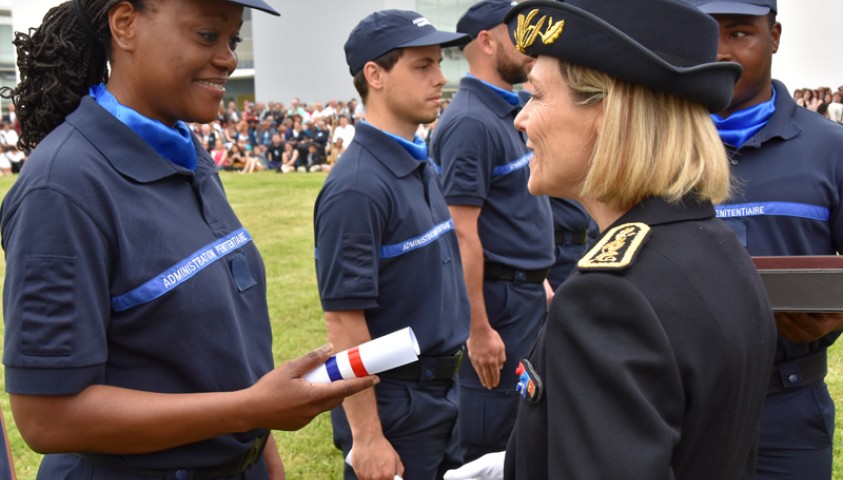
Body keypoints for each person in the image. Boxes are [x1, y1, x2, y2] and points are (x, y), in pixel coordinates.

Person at [0, 1, 377, 479]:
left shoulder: (183, 148)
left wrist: (259, 448)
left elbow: (216, 356)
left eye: (233, 39)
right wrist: (249, 409)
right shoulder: (62, 186)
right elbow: (46, 418)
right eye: (206, 35)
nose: (228, 58)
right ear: (125, 24)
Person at [446, 0, 779, 478]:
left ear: (605, 112)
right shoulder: (713, 243)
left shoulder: (608, 298)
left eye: (537, 96)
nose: (521, 119)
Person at [687, 1, 843, 478]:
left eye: (739, 34)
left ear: (773, 36)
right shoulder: (657, 151)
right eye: (703, 33)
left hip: (788, 412)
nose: (719, 52)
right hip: (681, 410)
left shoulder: (830, 149)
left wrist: (834, 312)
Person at [313, 10, 471, 480]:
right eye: (422, 66)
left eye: (439, 64)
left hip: (443, 395)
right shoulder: (357, 188)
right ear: (375, 75)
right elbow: (344, 319)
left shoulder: (421, 165)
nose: (441, 78)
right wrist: (367, 437)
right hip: (397, 408)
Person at [429, 0, 555, 461]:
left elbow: (511, 213)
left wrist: (539, 280)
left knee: (520, 423)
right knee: (488, 438)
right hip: (495, 304)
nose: (531, 42)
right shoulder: (469, 123)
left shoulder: (506, 112)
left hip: (522, 294)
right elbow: (460, 233)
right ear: (486, 41)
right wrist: (477, 327)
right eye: (518, 32)